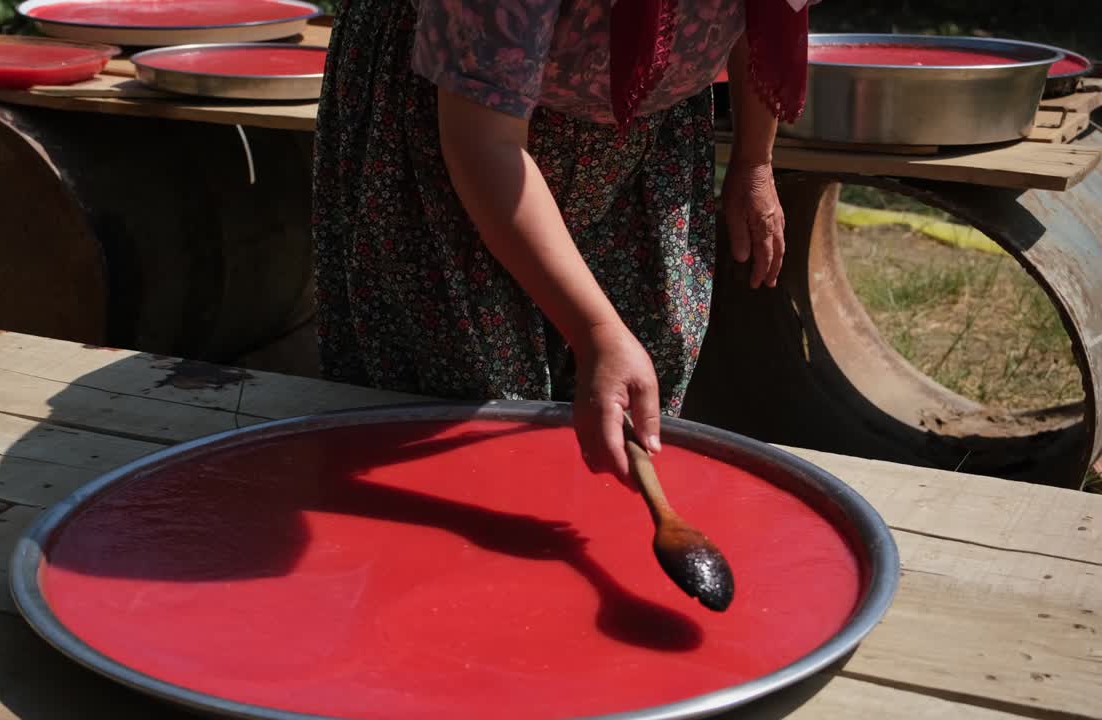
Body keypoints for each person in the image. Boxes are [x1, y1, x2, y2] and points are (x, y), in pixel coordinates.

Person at [312, 0, 815, 479]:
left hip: (641, 121)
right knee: (468, 407)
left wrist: (754, 158)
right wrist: (596, 331)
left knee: (644, 367)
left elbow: (766, 18)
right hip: (452, 113)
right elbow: (483, 142)